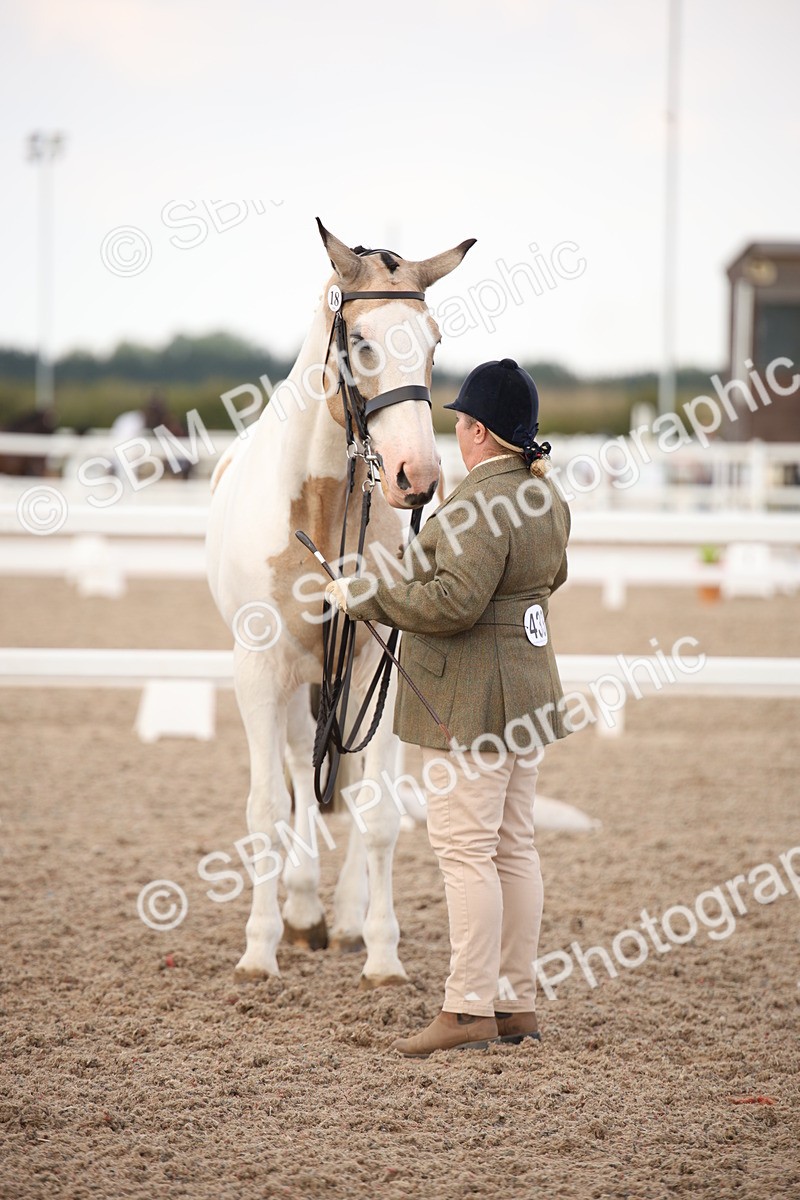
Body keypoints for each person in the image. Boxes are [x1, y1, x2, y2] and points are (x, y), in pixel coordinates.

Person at [325, 358, 571, 1058]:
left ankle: (467, 1008)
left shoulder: (478, 502)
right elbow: (552, 576)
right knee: (513, 846)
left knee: (466, 850)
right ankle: (512, 1001)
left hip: (471, 699)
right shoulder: (541, 493)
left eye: (461, 423)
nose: (456, 434)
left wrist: (367, 596)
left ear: (478, 431)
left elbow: (455, 603)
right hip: (526, 689)